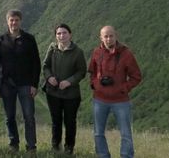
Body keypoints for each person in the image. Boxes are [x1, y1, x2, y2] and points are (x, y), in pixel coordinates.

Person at [88, 26, 143, 158]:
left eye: (111, 36)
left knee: (126, 133)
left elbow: (136, 76)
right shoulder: (96, 52)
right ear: (100, 38)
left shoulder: (126, 54)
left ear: (116, 36)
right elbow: (92, 72)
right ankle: (103, 155)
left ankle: (126, 155)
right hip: (99, 100)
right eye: (105, 36)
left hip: (120, 100)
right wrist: (95, 84)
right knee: (98, 132)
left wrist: (123, 88)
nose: (108, 39)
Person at [0, 9, 41, 152]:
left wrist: (34, 84)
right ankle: (13, 144)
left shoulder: (29, 39)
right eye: (11, 20)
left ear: (20, 21)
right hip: (7, 84)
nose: (14, 22)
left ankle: (31, 146)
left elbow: (36, 63)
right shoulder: (1, 40)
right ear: (7, 21)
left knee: (29, 116)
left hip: (26, 83)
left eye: (16, 20)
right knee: (9, 116)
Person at [42, 24, 86, 155]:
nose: (61, 36)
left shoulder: (78, 52)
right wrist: (49, 77)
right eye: (59, 33)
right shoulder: (52, 48)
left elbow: (81, 71)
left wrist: (69, 82)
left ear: (70, 34)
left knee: (70, 122)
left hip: (71, 94)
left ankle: (69, 148)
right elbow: (45, 66)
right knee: (56, 121)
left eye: (64, 33)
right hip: (53, 92)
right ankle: (55, 147)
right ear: (56, 36)